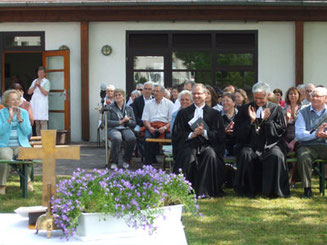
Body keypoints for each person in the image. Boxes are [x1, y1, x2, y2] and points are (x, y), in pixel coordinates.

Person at [233, 81, 290, 198]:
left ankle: (272, 191)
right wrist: (251, 122)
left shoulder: (276, 109)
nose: (258, 101)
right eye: (256, 98)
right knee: (245, 154)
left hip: (270, 145)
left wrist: (267, 121)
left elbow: (281, 131)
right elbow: (238, 133)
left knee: (276, 155)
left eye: (261, 98)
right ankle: (248, 190)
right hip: (250, 144)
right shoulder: (245, 109)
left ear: (268, 96)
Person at [172, 83, 225, 198]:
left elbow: (220, 135)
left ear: (205, 95)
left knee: (210, 154)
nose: (196, 96)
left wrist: (204, 133)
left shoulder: (214, 114)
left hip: (207, 145)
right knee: (188, 154)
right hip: (189, 144)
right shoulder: (183, 113)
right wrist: (192, 134)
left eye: (199, 93)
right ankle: (185, 190)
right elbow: (177, 133)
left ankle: (205, 191)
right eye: (194, 93)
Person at [295, 87, 327, 198]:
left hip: (325, 145)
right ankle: (307, 189)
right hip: (308, 146)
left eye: (318, 96)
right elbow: (299, 134)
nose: (314, 98)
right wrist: (315, 135)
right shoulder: (303, 112)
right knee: (304, 157)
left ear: (326, 99)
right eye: (313, 96)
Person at [0, 90, 32, 195]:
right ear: (7, 102)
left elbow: (28, 131)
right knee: (5, 157)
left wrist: (20, 120)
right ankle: (2, 185)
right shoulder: (1, 113)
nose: (15, 102)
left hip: (21, 144)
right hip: (5, 145)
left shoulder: (24, 113)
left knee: (27, 154)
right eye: (13, 100)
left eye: (17, 99)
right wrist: (9, 119)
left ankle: (27, 182)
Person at [142, 84, 174, 165]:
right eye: (154, 91)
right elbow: (145, 119)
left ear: (163, 93)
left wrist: (164, 127)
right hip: (151, 126)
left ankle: (169, 162)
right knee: (147, 137)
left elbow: (171, 120)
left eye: (157, 91)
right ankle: (148, 163)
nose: (155, 93)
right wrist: (149, 128)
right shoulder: (148, 104)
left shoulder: (170, 104)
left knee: (170, 137)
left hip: (165, 127)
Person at [107, 89, 136, 170]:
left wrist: (128, 121)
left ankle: (126, 160)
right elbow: (107, 122)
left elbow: (134, 123)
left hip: (125, 128)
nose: (117, 97)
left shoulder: (129, 108)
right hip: (113, 128)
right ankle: (114, 161)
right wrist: (120, 122)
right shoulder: (109, 108)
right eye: (115, 95)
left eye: (119, 95)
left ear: (123, 97)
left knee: (132, 138)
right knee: (117, 138)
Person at [28, 66, 50, 136]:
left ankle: (44, 139)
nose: (40, 74)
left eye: (42, 73)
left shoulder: (46, 82)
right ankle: (38, 138)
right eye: (39, 72)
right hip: (35, 103)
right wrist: (35, 86)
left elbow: (45, 93)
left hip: (42, 103)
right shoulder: (34, 81)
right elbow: (29, 92)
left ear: (44, 74)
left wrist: (39, 86)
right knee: (37, 122)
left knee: (43, 121)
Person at [283, 87, 302, 152]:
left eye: (295, 94)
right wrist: (287, 118)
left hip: (297, 134)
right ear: (288, 96)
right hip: (286, 133)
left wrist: (294, 116)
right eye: (291, 94)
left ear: (299, 95)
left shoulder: (303, 108)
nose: (293, 95)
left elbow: (302, 124)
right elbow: (281, 124)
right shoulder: (283, 108)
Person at [220, 93, 238, 157]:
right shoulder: (217, 116)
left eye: (227, 101)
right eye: (223, 101)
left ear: (234, 103)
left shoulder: (240, 115)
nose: (225, 103)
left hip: (237, 143)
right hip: (223, 144)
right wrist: (224, 131)